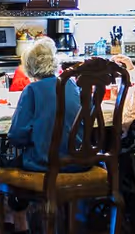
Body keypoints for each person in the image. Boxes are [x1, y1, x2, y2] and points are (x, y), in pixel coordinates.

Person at [6, 38, 82, 172]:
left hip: (45, 162)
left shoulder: (32, 90)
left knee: (7, 164)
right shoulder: (72, 85)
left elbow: (16, 136)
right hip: (80, 161)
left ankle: (7, 192)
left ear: (29, 67)